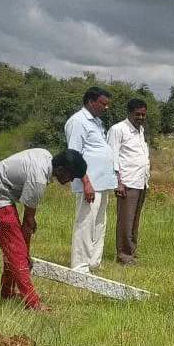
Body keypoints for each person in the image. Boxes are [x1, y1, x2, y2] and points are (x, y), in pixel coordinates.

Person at [0, 149, 87, 311]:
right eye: (70, 176)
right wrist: (24, 253)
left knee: (13, 249)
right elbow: (27, 224)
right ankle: (32, 304)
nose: (69, 181)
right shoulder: (38, 180)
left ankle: (7, 292)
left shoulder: (45, 157)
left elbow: (28, 220)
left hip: (0, 193)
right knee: (17, 251)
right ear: (61, 169)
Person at [65, 87, 118, 272]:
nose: (106, 107)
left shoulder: (96, 122)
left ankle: (94, 261)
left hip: (103, 183)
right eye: (103, 103)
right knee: (86, 223)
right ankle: (80, 265)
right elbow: (73, 155)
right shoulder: (78, 122)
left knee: (99, 223)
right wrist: (86, 182)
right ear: (90, 102)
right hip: (89, 183)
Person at [107, 98, 150, 266]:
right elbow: (112, 157)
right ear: (130, 112)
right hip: (127, 181)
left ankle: (131, 249)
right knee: (125, 220)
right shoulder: (118, 130)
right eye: (137, 114)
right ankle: (123, 254)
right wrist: (118, 182)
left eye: (143, 114)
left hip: (141, 180)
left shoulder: (140, 130)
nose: (140, 117)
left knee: (134, 219)